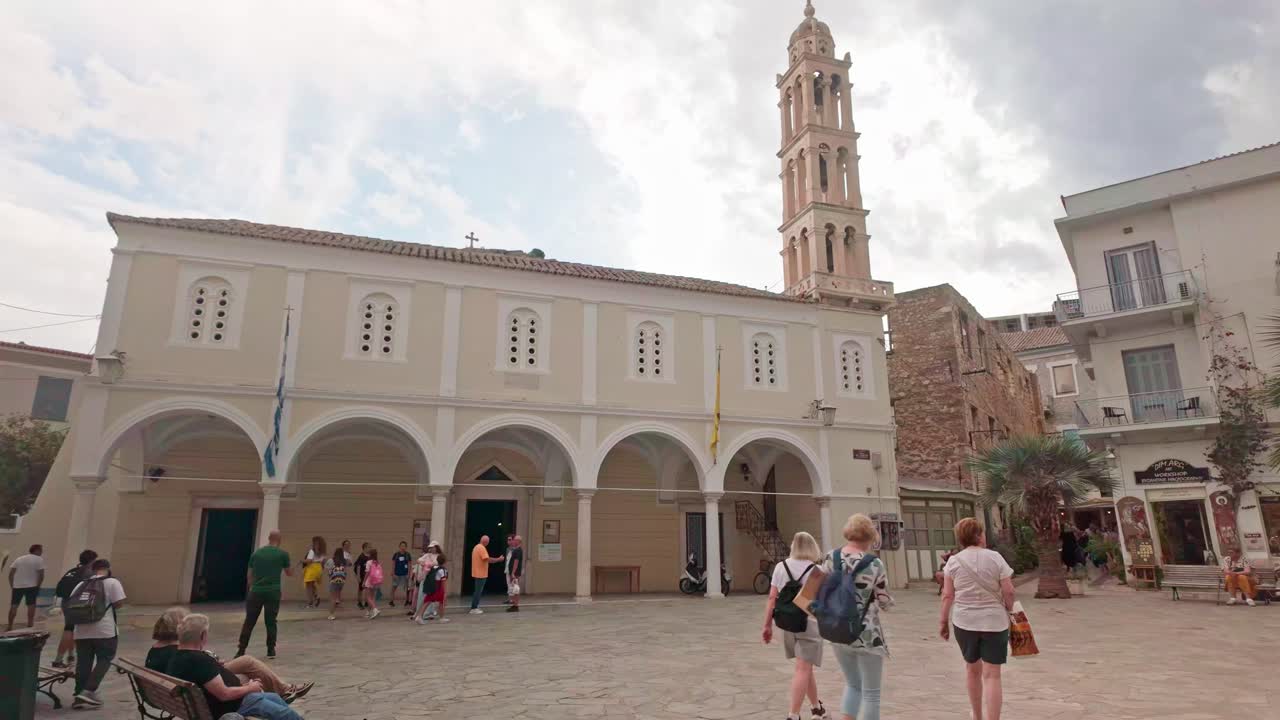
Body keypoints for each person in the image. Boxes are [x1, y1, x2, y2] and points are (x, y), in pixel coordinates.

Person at [145, 607, 314, 702]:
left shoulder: (158, 648)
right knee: (248, 666)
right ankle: (283, 691)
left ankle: (282, 691)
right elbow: (198, 668)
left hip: (185, 688)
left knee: (247, 667)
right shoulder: (177, 651)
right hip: (199, 685)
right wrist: (212, 663)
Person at [939, 517, 1016, 720]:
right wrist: (1010, 611)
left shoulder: (953, 562)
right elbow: (1009, 591)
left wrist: (943, 621)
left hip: (965, 622)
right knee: (992, 675)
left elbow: (947, 595)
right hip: (994, 622)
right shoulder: (995, 557)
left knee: (972, 670)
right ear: (979, 535)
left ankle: (977, 716)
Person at [820, 514, 893, 720]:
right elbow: (884, 600)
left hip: (837, 630)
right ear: (870, 535)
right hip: (867, 633)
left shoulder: (830, 557)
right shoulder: (874, 563)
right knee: (871, 694)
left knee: (853, 684)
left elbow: (818, 588)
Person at [169, 614, 302, 720]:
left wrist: (243, 687)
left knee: (275, 698)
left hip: (213, 705)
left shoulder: (177, 657)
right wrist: (250, 688)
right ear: (202, 635)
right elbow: (224, 694)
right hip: (231, 706)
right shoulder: (199, 660)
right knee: (285, 714)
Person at [762, 531, 828, 720]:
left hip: (786, 623)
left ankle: (816, 708)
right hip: (809, 624)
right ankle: (793, 715)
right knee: (803, 668)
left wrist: (767, 625)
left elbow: (772, 598)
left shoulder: (780, 567)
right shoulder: (817, 570)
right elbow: (818, 603)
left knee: (804, 667)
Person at [70, 558, 127, 709]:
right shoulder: (112, 582)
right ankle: (88, 691)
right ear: (108, 568)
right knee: (105, 659)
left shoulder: (81, 584)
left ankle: (78, 695)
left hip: (81, 630)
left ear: (93, 569)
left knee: (83, 663)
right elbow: (119, 603)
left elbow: (72, 603)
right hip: (104, 630)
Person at [237, 530, 292, 659]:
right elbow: (289, 573)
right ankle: (270, 650)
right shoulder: (283, 554)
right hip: (273, 591)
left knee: (249, 620)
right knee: (271, 621)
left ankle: (241, 649)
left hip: (256, 591)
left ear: (269, 538)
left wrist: (252, 588)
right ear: (279, 539)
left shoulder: (256, 553)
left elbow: (249, 575)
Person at [51, 549, 98, 668]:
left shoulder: (72, 570)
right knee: (69, 629)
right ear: (92, 561)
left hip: (66, 602)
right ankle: (58, 660)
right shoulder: (89, 572)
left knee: (72, 629)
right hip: (76, 604)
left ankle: (71, 655)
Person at [6, 543, 45, 631]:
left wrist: (13, 586)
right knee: (31, 605)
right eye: (41, 550)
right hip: (32, 586)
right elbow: (41, 575)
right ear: (37, 550)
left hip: (17, 586)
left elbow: (11, 574)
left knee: (14, 606)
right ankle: (30, 624)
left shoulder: (19, 559)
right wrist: (38, 586)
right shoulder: (39, 559)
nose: (41, 552)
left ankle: (9, 626)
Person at [469, 535, 503, 614]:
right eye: (488, 542)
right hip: (480, 574)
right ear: (486, 542)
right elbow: (487, 559)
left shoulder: (476, 547)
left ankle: (475, 606)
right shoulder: (481, 548)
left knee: (477, 591)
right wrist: (498, 559)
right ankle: (474, 608)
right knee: (478, 591)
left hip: (477, 573)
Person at [416, 552, 450, 624]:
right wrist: (445, 592)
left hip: (431, 587)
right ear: (445, 562)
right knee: (441, 602)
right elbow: (443, 582)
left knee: (427, 601)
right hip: (438, 588)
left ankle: (419, 616)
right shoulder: (443, 570)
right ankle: (441, 618)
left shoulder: (434, 567)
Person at [411, 542, 441, 620]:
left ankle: (430, 613)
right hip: (425, 577)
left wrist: (429, 564)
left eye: (433, 547)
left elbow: (437, 564)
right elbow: (419, 560)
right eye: (431, 548)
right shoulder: (427, 555)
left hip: (434, 578)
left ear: (436, 547)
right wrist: (423, 563)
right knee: (422, 595)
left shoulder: (439, 556)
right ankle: (419, 613)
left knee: (432, 596)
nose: (432, 549)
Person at [324, 546, 349, 620]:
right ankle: (338, 602)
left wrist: (330, 576)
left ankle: (331, 614)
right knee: (337, 595)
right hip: (341, 581)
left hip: (333, 581)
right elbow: (345, 571)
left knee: (332, 598)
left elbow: (327, 570)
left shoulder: (331, 560)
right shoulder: (344, 561)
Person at [302, 536, 326, 609]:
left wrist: (302, 561)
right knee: (312, 584)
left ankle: (310, 603)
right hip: (319, 568)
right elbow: (323, 563)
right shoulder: (323, 552)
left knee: (308, 586)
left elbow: (309, 561)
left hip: (311, 568)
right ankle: (316, 596)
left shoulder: (312, 551)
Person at [363, 547, 383, 619]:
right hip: (375, 582)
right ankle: (368, 612)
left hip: (369, 581)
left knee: (368, 597)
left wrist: (364, 581)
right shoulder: (377, 562)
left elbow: (367, 572)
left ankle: (375, 609)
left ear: (370, 554)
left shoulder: (369, 562)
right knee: (372, 598)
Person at [390, 541, 412, 607]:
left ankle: (407, 601)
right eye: (401, 546)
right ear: (399, 546)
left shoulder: (408, 555)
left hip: (405, 574)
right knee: (394, 587)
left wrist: (408, 573)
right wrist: (393, 572)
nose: (403, 547)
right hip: (397, 573)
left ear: (406, 547)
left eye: (404, 546)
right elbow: (393, 563)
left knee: (407, 588)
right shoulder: (396, 554)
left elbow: (409, 564)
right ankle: (391, 601)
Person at [506, 535, 524, 613]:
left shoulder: (518, 550)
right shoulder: (517, 550)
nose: (513, 541)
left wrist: (513, 573)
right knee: (514, 589)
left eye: (515, 540)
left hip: (515, 573)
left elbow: (516, 562)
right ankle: (514, 605)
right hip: (514, 573)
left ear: (518, 541)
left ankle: (515, 606)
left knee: (515, 589)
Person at [354, 543, 370, 609]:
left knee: (367, 589)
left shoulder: (370, 556)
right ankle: (359, 602)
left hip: (368, 576)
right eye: (369, 547)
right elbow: (358, 566)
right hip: (362, 575)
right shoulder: (361, 556)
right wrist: (358, 576)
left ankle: (366, 602)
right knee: (361, 589)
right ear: (364, 548)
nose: (370, 548)